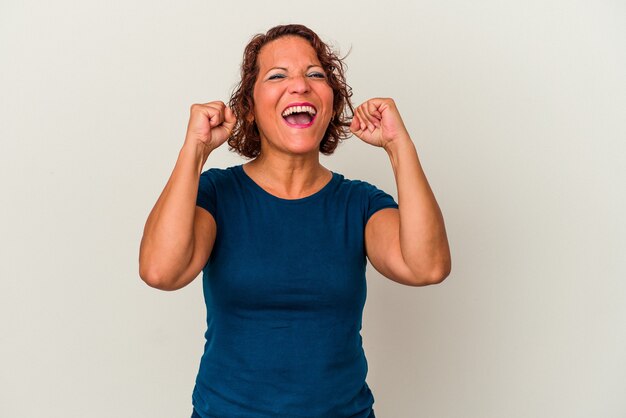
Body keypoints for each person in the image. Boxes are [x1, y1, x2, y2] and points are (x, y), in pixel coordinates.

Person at [139, 24, 451, 418]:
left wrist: (398, 146)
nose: (299, 85)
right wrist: (195, 150)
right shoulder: (216, 195)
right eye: (277, 75)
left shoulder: (359, 203)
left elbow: (428, 266)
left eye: (315, 74)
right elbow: (160, 271)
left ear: (332, 103)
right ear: (249, 107)